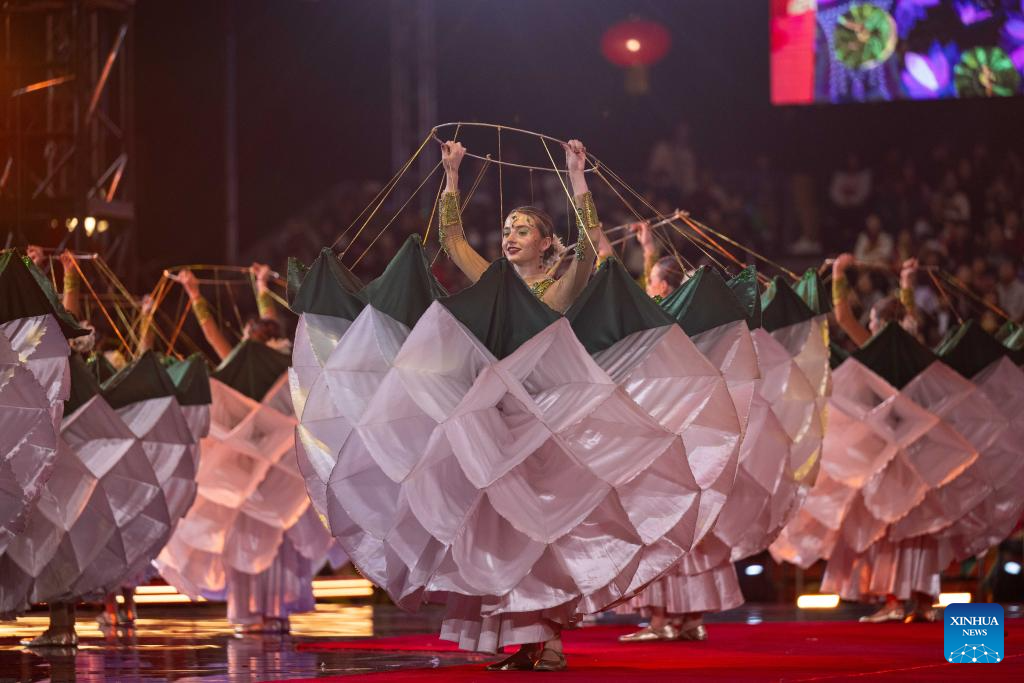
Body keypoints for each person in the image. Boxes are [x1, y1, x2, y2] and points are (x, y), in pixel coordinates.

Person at [829, 253, 938, 623]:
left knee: (887, 521)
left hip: (886, 444)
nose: (869, 323)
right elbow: (911, 319)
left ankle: (893, 602)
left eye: (873, 319)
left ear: (879, 324)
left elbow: (842, 317)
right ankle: (922, 602)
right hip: (918, 444)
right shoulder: (913, 343)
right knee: (916, 523)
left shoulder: (876, 346)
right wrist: (907, 283)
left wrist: (838, 274)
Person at [438, 139, 601, 314]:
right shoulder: (496, 282)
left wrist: (576, 175)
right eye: (506, 233)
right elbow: (451, 240)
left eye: (522, 232)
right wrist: (452, 174)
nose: (510, 239)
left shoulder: (558, 291)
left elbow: (589, 239)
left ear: (545, 243)